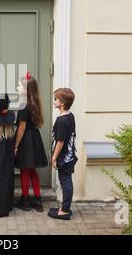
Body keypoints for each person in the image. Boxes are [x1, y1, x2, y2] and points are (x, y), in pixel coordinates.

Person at [14, 73, 48, 212]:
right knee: (32, 170)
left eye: (19, 85)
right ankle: (38, 200)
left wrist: (15, 145)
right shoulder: (35, 103)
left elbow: (21, 128)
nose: (17, 87)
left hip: (26, 140)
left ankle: (25, 200)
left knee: (24, 170)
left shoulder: (23, 105)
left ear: (26, 89)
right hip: (35, 139)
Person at [48, 88, 78, 220]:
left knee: (65, 181)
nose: (54, 101)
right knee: (66, 180)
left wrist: (54, 157)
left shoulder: (62, 121)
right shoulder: (69, 116)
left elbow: (60, 142)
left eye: (56, 99)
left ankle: (65, 211)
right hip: (69, 156)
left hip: (65, 157)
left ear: (62, 103)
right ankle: (64, 207)